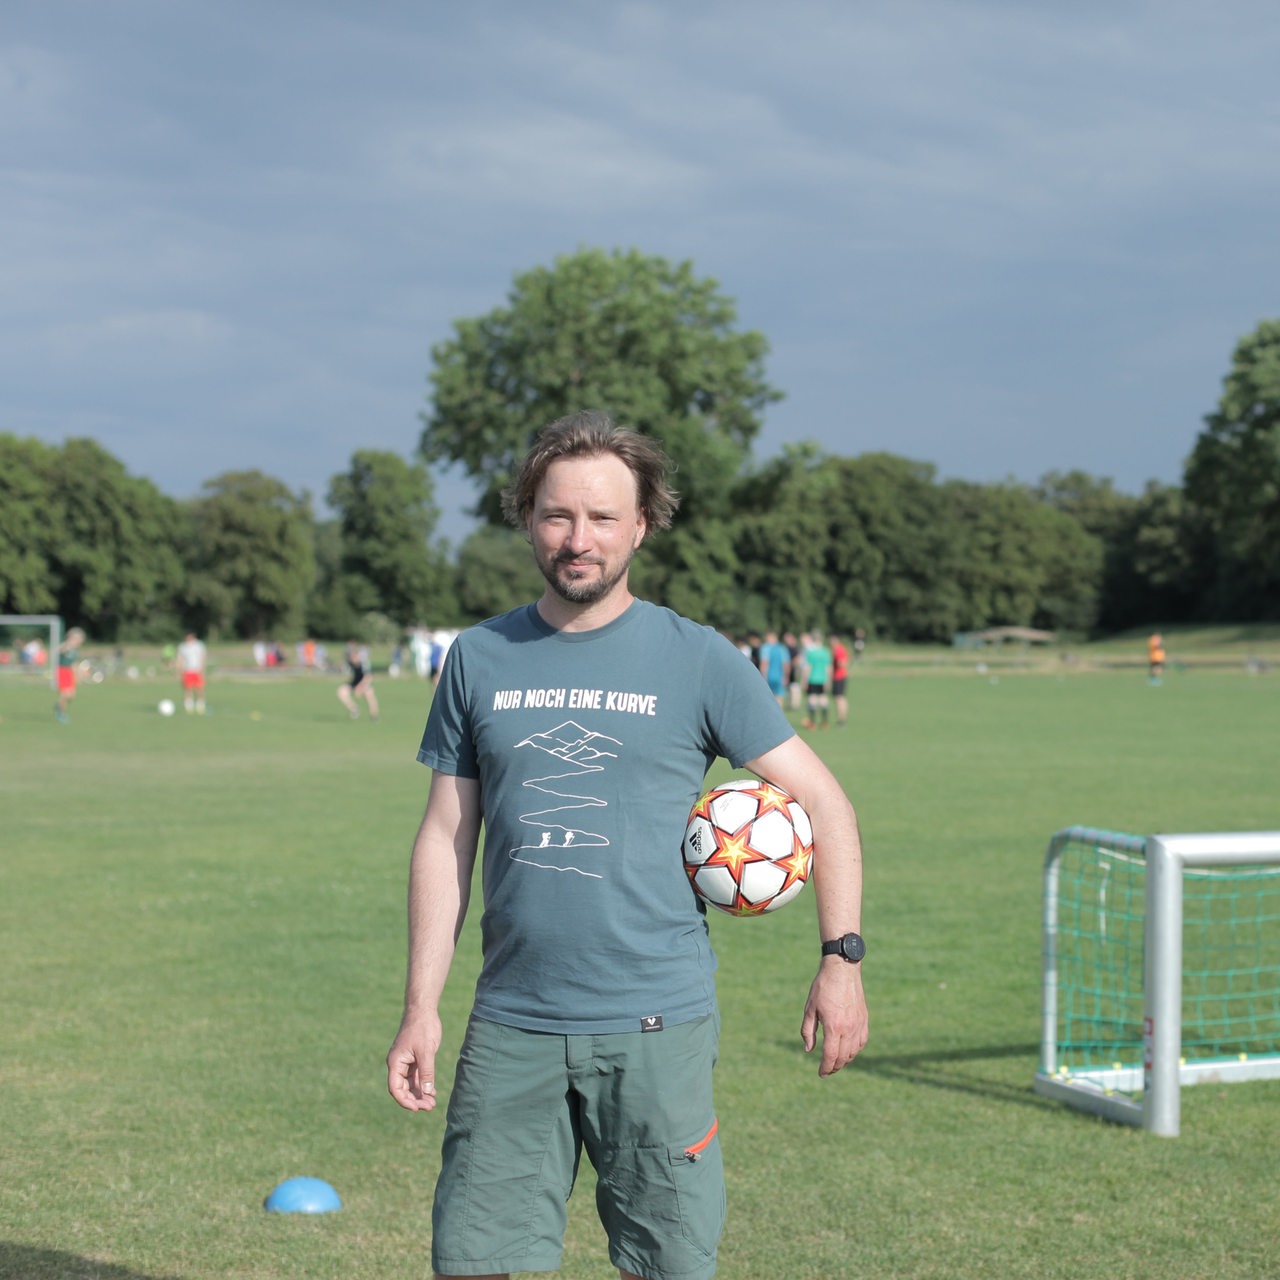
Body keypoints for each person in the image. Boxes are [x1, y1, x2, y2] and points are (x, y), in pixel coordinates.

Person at [386, 411, 868, 1280]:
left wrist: (841, 959)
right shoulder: (478, 657)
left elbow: (826, 803)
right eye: (558, 515)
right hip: (512, 1020)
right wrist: (421, 1004)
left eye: (604, 518)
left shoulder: (698, 658)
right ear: (528, 517)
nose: (579, 539)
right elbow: (445, 836)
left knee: (668, 1266)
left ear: (642, 524)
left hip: (656, 1022)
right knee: (471, 1261)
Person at [337, 640, 379, 720]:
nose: (352, 658)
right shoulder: (349, 663)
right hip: (354, 683)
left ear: (357, 656)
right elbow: (343, 667)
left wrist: (360, 687)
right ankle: (354, 709)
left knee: (370, 695)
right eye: (350, 656)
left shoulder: (363, 664)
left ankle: (374, 716)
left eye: (353, 656)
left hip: (364, 683)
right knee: (341, 692)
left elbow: (368, 677)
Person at [801, 630, 833, 730]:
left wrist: (804, 680)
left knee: (812, 699)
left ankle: (813, 723)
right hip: (823, 679)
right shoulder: (826, 652)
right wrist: (828, 681)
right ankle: (825, 723)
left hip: (813, 679)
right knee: (823, 699)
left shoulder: (811, 653)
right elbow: (829, 668)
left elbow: (807, 667)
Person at [54, 627, 85, 723]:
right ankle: (61, 713)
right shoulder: (66, 646)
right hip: (61, 671)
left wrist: (78, 675)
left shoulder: (75, 651)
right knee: (65, 694)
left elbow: (74, 664)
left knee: (71, 696)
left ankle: (59, 705)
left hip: (69, 672)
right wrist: (66, 646)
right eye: (79, 639)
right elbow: (57, 651)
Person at [757, 628, 791, 708]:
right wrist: (786, 677)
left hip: (768, 676)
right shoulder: (782, 648)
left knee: (768, 698)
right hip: (780, 676)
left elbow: (764, 663)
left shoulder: (765, 648)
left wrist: (762, 676)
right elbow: (786, 664)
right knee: (779, 698)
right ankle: (779, 718)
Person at [176, 631, 208, 714]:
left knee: (199, 689)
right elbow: (180, 659)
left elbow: (202, 657)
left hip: (197, 670)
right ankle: (188, 707)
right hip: (187, 670)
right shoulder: (182, 647)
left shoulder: (198, 645)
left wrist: (202, 669)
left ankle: (200, 706)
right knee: (187, 689)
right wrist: (180, 671)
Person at [829, 632, 850, 726]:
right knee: (839, 698)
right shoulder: (839, 649)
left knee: (839, 698)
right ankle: (841, 719)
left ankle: (841, 719)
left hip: (839, 677)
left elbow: (842, 663)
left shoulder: (838, 650)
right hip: (840, 676)